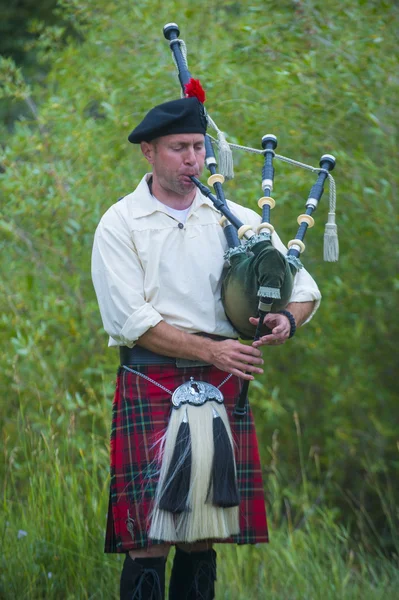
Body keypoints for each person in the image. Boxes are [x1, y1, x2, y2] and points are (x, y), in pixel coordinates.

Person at [91, 95, 321, 600]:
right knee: (148, 542)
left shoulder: (236, 220)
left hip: (221, 387)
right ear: (148, 152)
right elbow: (133, 320)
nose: (192, 158)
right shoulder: (121, 222)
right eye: (179, 148)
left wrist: (285, 318)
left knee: (201, 539)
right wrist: (213, 351)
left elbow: (304, 289)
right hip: (153, 379)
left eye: (198, 146)